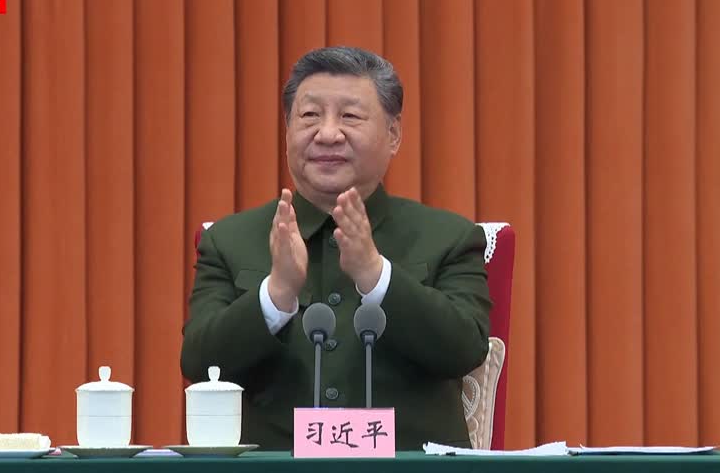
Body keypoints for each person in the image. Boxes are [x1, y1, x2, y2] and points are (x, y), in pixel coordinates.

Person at [180, 46, 491, 450]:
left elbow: (465, 349)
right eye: (310, 115)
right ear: (287, 132)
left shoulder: (449, 236)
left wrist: (376, 275)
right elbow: (200, 364)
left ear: (393, 135)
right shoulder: (229, 240)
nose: (327, 134)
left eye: (350, 117)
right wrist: (277, 293)